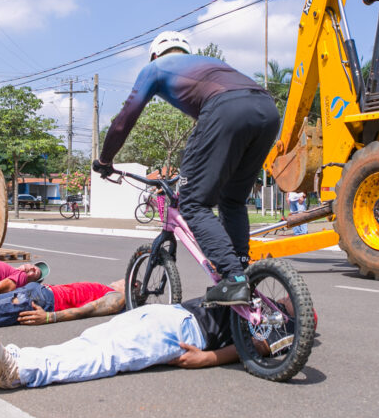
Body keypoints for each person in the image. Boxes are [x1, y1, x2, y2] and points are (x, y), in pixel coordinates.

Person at [92, 31, 281, 306]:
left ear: (155, 54)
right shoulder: (209, 63)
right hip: (267, 111)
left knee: (193, 203)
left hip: (227, 110)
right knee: (232, 200)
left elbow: (124, 119)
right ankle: (242, 269)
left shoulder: (154, 68)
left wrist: (105, 160)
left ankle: (233, 278)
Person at [0, 296, 239, 389]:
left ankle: (17, 373)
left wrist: (209, 358)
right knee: (91, 339)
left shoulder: (282, 322)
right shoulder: (272, 287)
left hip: (190, 332)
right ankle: (13, 357)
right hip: (172, 312)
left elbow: (262, 347)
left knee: (109, 354)